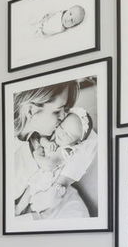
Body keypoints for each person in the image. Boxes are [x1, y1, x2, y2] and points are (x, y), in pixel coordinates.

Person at [11, 83, 98, 219]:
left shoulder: (39, 136)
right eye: (57, 111)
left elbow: (90, 139)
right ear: (30, 111)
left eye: (65, 110)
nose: (63, 117)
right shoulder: (12, 156)